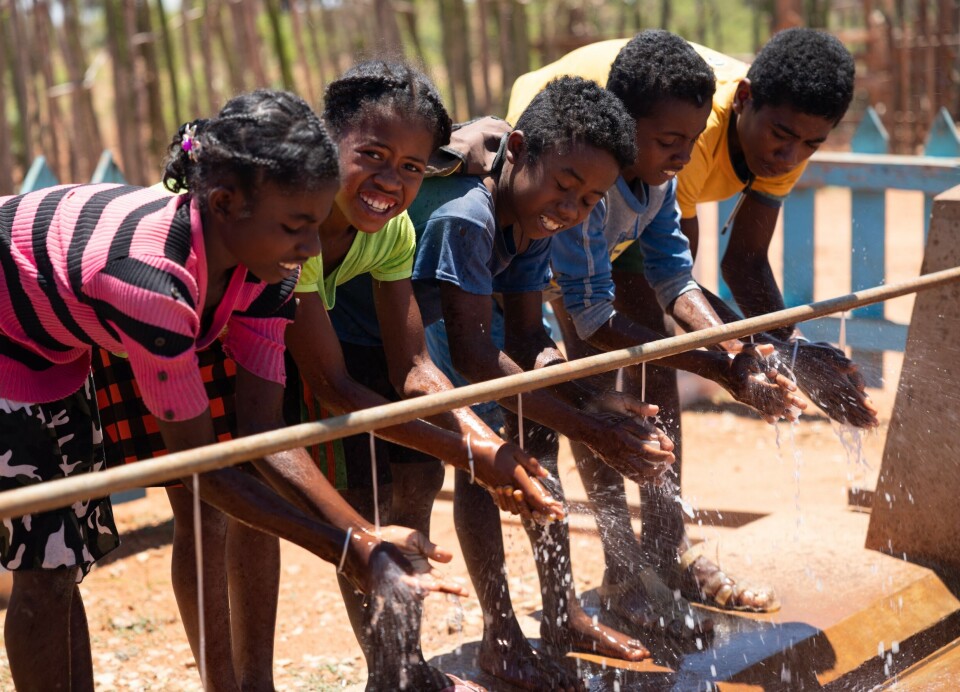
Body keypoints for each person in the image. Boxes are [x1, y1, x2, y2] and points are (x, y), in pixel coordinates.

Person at [1, 89, 462, 692]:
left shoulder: (270, 269)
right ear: (223, 204)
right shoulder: (151, 285)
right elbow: (207, 470)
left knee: (60, 559)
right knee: (42, 569)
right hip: (11, 338)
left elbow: (263, 437)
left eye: (316, 223)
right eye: (296, 227)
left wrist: (362, 537)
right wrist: (350, 547)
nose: (309, 248)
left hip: (56, 344)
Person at [503, 29, 877, 627]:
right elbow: (601, 317)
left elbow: (698, 278)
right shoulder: (682, 141)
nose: (788, 156)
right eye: (781, 138)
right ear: (747, 100)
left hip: (633, 168)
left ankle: (666, 553)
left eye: (810, 145)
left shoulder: (685, 153)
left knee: (656, 360)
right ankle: (625, 571)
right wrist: (730, 362)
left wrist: (778, 352)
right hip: (572, 154)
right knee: (594, 381)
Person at [284, 60, 564, 690]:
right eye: (373, 155)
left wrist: (484, 446)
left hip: (335, 341)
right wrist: (476, 453)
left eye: (412, 167)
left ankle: (400, 669)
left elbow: (413, 367)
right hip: (191, 347)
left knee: (414, 481)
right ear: (326, 143)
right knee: (247, 518)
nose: (391, 180)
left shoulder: (393, 230)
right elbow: (331, 385)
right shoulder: (292, 228)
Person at [401, 75, 668, 689]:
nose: (572, 209)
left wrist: (588, 400)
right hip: (415, 320)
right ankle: (500, 636)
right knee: (485, 455)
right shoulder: (469, 216)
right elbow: (473, 359)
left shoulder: (530, 217)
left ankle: (562, 612)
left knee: (537, 437)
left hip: (466, 313)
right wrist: (590, 425)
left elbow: (526, 336)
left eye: (590, 200)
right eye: (565, 185)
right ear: (518, 150)